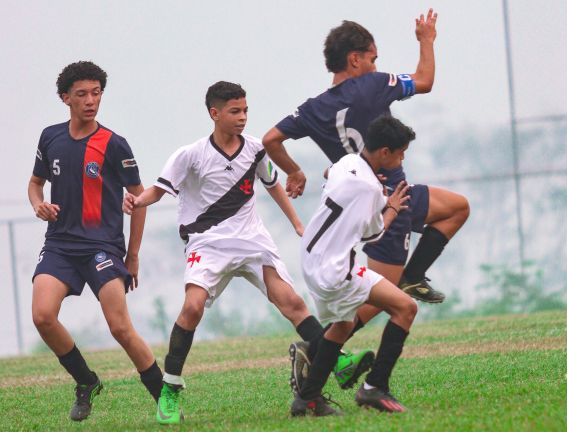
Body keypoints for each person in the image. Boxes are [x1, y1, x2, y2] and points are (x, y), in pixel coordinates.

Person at [122, 81, 371, 425]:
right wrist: (136, 200)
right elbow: (158, 190)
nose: (242, 118)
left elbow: (273, 186)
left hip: (253, 241)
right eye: (235, 111)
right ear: (215, 113)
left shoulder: (255, 150)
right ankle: (170, 389)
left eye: (245, 110)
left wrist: (298, 225)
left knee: (292, 303)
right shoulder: (190, 155)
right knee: (192, 308)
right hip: (207, 244)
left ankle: (338, 360)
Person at [263, 9, 469, 392]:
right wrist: (426, 40)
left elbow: (270, 139)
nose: (377, 64)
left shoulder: (313, 108)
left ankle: (412, 277)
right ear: (355, 59)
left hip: (384, 201)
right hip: (384, 207)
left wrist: (293, 171)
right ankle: (314, 352)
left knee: (456, 208)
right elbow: (424, 80)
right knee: (376, 304)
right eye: (373, 57)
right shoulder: (372, 85)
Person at [29, 61, 163, 422]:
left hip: (102, 246)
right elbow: (35, 183)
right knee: (42, 316)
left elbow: (138, 200)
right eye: (82, 94)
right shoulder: (50, 137)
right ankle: (85, 382)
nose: (91, 101)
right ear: (65, 98)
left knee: (119, 326)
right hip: (59, 244)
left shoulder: (114, 144)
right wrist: (38, 204)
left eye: (96, 93)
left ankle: (164, 395)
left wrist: (132, 256)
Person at [291, 115, 418, 416]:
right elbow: (372, 233)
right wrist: (390, 207)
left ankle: (307, 399)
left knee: (344, 324)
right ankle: (375, 388)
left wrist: (374, 193)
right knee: (406, 308)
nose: (402, 158)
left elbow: (329, 172)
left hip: (311, 258)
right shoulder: (370, 190)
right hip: (336, 269)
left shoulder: (345, 162)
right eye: (400, 152)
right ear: (384, 153)